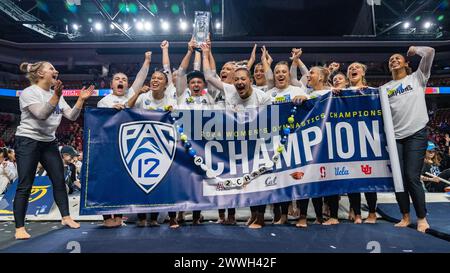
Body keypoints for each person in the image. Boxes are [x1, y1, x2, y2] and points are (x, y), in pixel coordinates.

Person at [14, 61, 94, 239]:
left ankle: (66, 217)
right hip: (28, 140)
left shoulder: (55, 94)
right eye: (51, 68)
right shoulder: (29, 92)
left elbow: (72, 116)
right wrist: (56, 96)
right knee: (25, 184)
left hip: (48, 142)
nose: (56, 71)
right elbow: (41, 115)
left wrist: (80, 100)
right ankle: (19, 227)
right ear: (40, 74)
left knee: (59, 180)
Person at [380, 45, 435, 233]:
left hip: (416, 133)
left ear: (406, 63)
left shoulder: (417, 78)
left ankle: (421, 218)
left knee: (412, 176)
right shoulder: (384, 88)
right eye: (390, 60)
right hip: (394, 137)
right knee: (399, 178)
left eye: (397, 58)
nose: (393, 61)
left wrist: (415, 49)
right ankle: (405, 216)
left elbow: (430, 52)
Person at [97, 51, 151, 227]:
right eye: (117, 79)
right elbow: (100, 123)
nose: (121, 81)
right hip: (109, 147)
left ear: (128, 85)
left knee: (121, 183)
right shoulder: (104, 101)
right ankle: (107, 217)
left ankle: (119, 217)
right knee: (107, 182)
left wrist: (147, 60)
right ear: (111, 84)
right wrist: (112, 110)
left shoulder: (131, 96)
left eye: (124, 80)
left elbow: (141, 77)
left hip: (128, 146)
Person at [345, 62, 378, 224]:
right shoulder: (341, 93)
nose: (353, 69)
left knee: (369, 177)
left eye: (356, 67)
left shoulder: (373, 92)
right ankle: (357, 213)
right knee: (352, 178)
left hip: (368, 140)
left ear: (363, 72)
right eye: (350, 68)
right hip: (348, 140)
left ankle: (372, 213)